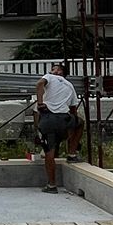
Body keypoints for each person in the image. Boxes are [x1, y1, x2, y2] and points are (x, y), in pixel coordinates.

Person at [31, 62, 80, 193]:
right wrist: (72, 128)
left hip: (48, 120)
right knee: (80, 123)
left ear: (61, 72)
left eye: (56, 69)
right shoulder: (70, 85)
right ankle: (72, 153)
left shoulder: (50, 77)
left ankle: (52, 185)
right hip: (64, 120)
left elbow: (39, 84)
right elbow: (74, 109)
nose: (54, 71)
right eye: (53, 69)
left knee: (49, 153)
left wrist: (40, 103)